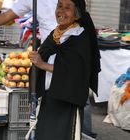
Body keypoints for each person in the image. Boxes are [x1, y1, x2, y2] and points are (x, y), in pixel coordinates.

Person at [29, 0, 101, 139]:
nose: (61, 11)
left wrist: (42, 64)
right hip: (49, 99)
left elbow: (74, 70)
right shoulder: (55, 34)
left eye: (67, 8)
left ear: (76, 15)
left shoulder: (79, 37)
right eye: (59, 6)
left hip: (67, 101)